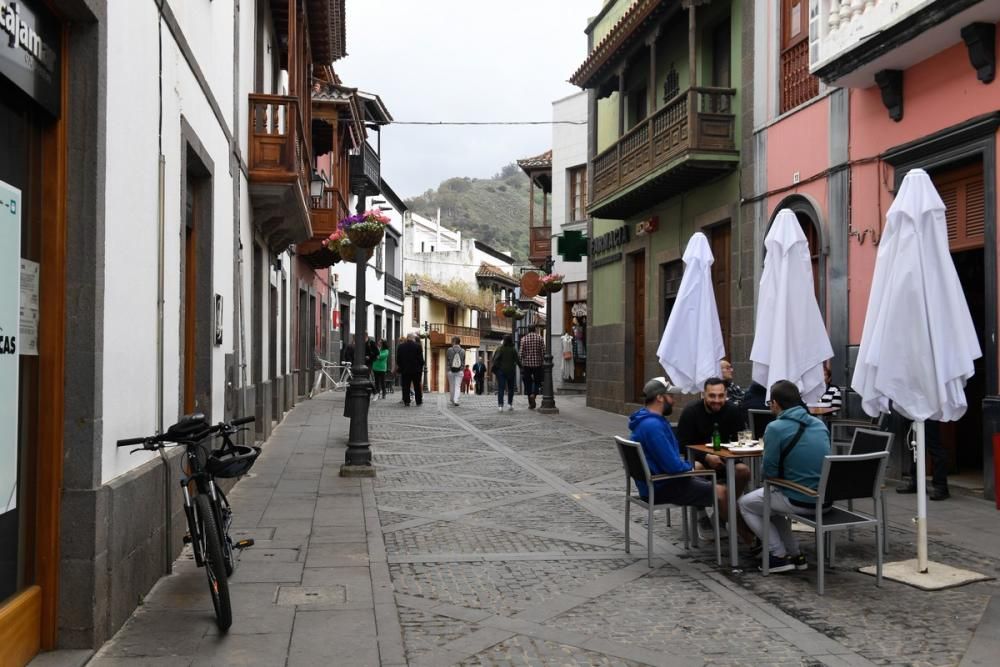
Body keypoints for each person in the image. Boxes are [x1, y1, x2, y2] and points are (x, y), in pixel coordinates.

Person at [738, 380, 831, 573]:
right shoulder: (820, 425)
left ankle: (777, 554)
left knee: (746, 504)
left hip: (801, 499)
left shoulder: (775, 428)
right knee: (772, 502)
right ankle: (796, 554)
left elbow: (768, 472)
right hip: (825, 498)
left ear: (775, 404)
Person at [629, 377, 728, 524]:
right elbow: (674, 467)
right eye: (670, 396)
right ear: (660, 398)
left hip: (652, 485)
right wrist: (689, 467)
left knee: (700, 470)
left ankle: (705, 522)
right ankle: (744, 537)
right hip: (662, 487)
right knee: (721, 491)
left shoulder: (644, 420)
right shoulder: (653, 427)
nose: (673, 400)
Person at [676, 377, 750, 541]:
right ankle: (701, 514)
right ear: (704, 395)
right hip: (699, 460)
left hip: (726, 460)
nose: (716, 400)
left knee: (743, 471)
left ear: (726, 395)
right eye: (712, 396)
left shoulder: (732, 410)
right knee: (697, 468)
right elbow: (681, 445)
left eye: (720, 396)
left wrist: (734, 451)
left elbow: (740, 438)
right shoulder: (691, 411)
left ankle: (721, 514)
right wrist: (706, 456)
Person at [894, 413, 949, 500]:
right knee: (914, 447)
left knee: (934, 448)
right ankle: (916, 482)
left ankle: (941, 486)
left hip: (927, 412)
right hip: (911, 411)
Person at [518, 325, 544, 409]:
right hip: (537, 364)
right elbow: (543, 351)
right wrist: (542, 361)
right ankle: (534, 394)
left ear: (528, 330)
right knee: (537, 381)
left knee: (527, 383)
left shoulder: (523, 339)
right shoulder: (540, 338)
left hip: (527, 365)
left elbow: (521, 353)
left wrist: (520, 364)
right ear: (535, 329)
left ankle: (530, 402)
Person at [492, 334, 520, 412]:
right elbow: (517, 360)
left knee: (501, 388)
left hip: (501, 371)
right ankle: (510, 404)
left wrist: (495, 368)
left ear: (504, 341)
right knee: (511, 389)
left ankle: (500, 405)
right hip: (511, 371)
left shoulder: (500, 348)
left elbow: (495, 359)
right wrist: (522, 368)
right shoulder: (513, 349)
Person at [396, 333, 424, 407]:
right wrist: (420, 369)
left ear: (407, 338)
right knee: (417, 386)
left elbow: (398, 359)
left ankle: (406, 401)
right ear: (413, 338)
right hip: (416, 370)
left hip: (405, 370)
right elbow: (421, 360)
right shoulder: (418, 346)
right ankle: (418, 401)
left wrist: (401, 367)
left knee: (405, 386)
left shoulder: (401, 346)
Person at [446, 337, 465, 406]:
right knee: (457, 386)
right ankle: (456, 400)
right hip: (459, 371)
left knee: (452, 385)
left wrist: (448, 368)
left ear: (454, 341)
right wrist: (462, 368)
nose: (451, 342)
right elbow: (463, 361)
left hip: (450, 370)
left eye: (452, 341)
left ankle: (452, 399)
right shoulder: (463, 351)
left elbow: (447, 359)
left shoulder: (449, 350)